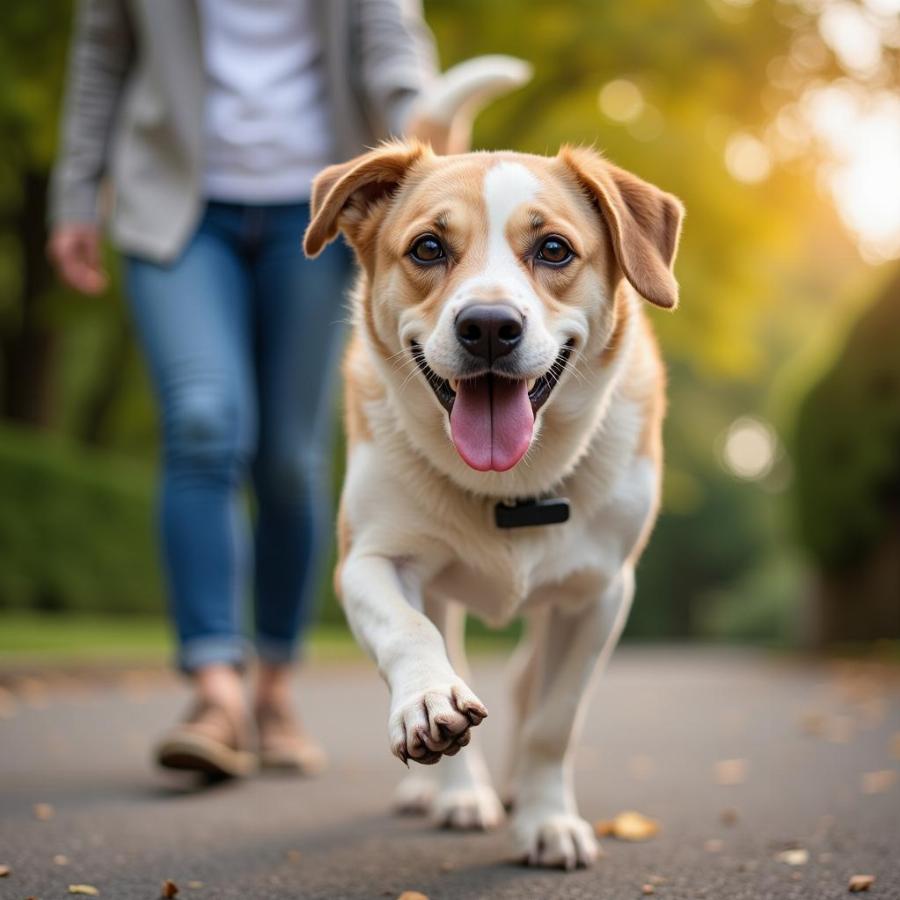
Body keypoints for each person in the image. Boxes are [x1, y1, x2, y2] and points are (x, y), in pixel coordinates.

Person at [47, 0, 444, 779]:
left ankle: (273, 686)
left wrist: (424, 131)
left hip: (326, 205)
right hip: (174, 206)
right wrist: (74, 195)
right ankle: (215, 688)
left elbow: (389, 41)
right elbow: (101, 57)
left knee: (291, 459)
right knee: (203, 420)